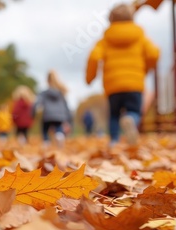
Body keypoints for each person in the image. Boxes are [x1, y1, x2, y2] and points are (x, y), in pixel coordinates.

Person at [86, 3, 159, 146]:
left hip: (113, 86)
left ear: (111, 19)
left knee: (114, 114)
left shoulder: (105, 40)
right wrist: (145, 69)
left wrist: (90, 77)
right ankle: (130, 119)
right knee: (134, 110)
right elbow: (154, 53)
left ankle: (114, 140)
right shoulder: (140, 37)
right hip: (134, 83)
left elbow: (94, 57)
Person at [33, 70, 72, 148]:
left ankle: (46, 142)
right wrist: (69, 119)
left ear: (47, 80)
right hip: (60, 115)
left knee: (45, 129)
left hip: (47, 115)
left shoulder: (44, 93)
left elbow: (37, 103)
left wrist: (33, 113)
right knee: (58, 128)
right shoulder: (61, 93)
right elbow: (66, 106)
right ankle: (59, 135)